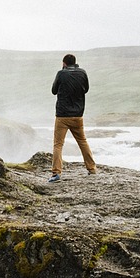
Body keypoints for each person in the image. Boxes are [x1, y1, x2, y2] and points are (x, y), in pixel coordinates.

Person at [49, 53, 96, 182]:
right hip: (78, 115)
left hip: (62, 116)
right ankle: (91, 169)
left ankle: (56, 173)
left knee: (58, 144)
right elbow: (85, 89)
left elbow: (53, 90)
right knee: (82, 141)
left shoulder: (61, 73)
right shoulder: (82, 73)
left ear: (64, 63)